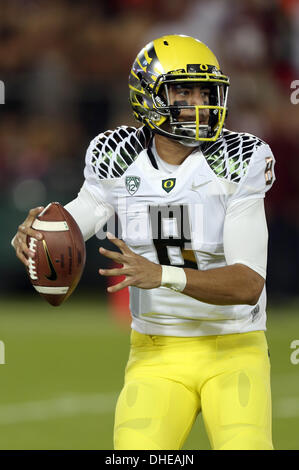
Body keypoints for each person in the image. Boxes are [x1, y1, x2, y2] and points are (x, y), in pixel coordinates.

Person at [12, 34, 275, 450]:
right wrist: (40, 233)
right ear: (148, 96)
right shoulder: (117, 155)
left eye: (205, 91)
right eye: (182, 91)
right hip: (156, 352)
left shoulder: (238, 159)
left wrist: (163, 275)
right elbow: (80, 217)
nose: (198, 103)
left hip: (234, 349)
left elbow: (248, 285)